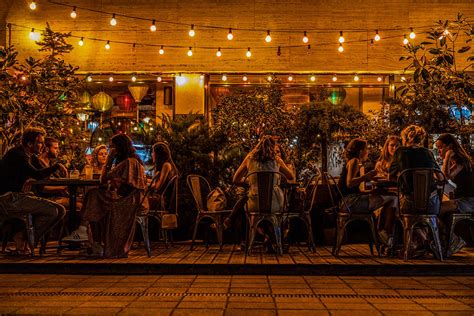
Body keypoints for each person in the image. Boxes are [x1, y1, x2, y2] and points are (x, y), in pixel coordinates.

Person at [63, 134, 148, 258]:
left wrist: (109, 160)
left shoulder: (129, 162)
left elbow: (104, 179)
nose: (111, 150)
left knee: (93, 196)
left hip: (126, 202)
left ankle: (86, 233)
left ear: (119, 147)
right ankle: (94, 243)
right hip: (128, 199)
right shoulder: (130, 161)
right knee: (95, 200)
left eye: (112, 147)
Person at [0, 128, 67, 254]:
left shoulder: (31, 156)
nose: (43, 146)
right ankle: (24, 239)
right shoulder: (18, 155)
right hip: (9, 199)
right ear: (30, 144)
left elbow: (40, 174)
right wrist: (57, 166)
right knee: (52, 211)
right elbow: (37, 174)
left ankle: (25, 238)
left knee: (61, 210)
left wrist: (32, 179)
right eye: (40, 143)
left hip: (21, 196)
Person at [231, 136, 295, 251]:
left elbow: (235, 179)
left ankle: (255, 240)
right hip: (274, 203)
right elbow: (291, 176)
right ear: (272, 148)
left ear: (258, 146)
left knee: (252, 211)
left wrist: (249, 181)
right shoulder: (277, 160)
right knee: (273, 213)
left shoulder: (249, 158)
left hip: (254, 203)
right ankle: (274, 240)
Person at [339, 138, 398, 245]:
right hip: (350, 203)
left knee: (388, 197)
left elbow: (352, 187)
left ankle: (382, 232)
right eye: (366, 149)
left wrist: (371, 191)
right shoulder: (354, 161)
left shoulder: (353, 161)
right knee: (394, 198)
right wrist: (366, 176)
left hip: (349, 201)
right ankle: (384, 233)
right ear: (361, 151)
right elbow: (349, 183)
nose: (368, 151)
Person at [389, 125, 442, 214]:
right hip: (431, 203)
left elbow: (391, 177)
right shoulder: (428, 152)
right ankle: (432, 226)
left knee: (395, 209)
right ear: (421, 139)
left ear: (405, 138)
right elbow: (441, 178)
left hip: (410, 202)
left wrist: (404, 181)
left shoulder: (400, 151)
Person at [436, 134, 474, 253]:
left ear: (450, 146)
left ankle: (454, 240)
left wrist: (446, 157)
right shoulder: (456, 161)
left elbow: (444, 177)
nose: (439, 150)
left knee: (436, 209)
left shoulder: (461, 161)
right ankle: (446, 240)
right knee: (435, 208)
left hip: (468, 201)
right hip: (462, 199)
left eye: (441, 147)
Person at [148, 142, 179, 210]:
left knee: (138, 202)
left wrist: (146, 184)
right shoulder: (165, 165)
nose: (152, 154)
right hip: (161, 199)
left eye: (153, 152)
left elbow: (157, 187)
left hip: (163, 201)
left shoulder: (166, 165)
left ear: (159, 154)